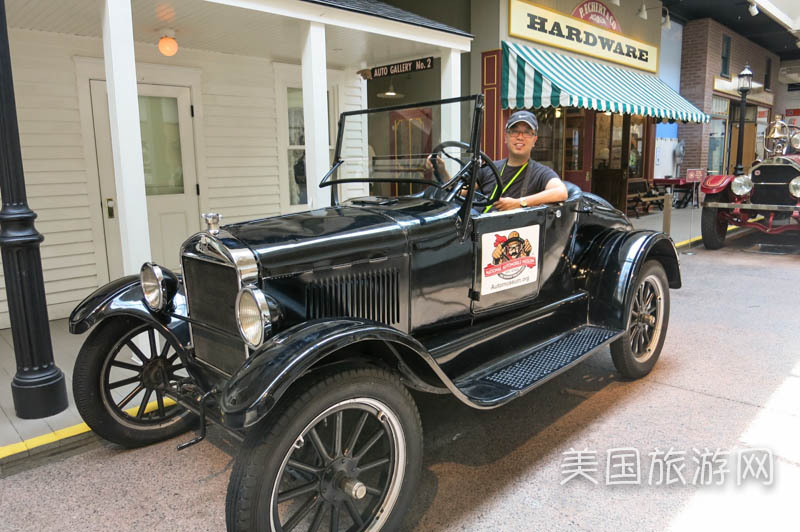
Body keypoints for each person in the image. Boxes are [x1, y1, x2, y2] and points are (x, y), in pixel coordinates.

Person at [428, 110, 568, 212]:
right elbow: (457, 192)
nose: (520, 137)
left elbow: (561, 192)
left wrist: (519, 203)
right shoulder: (489, 168)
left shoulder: (541, 172)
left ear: (534, 140)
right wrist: (441, 170)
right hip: (479, 230)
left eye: (527, 132)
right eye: (514, 131)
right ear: (505, 137)